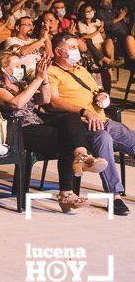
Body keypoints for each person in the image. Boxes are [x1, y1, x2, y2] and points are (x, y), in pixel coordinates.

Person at [0, 51, 106, 212]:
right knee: (67, 138)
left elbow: (45, 99)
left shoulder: (22, 85)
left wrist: (44, 79)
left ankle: (81, 155)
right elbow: (16, 104)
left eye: (20, 65)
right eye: (15, 66)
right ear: (3, 69)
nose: (19, 69)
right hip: (19, 131)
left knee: (71, 117)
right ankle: (66, 194)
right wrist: (36, 79)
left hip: (38, 125)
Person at [46, 32, 135, 216]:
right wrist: (83, 111)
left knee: (131, 138)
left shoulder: (80, 69)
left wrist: (103, 96)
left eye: (76, 47)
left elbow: (97, 90)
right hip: (81, 124)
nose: (76, 51)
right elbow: (53, 102)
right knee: (104, 139)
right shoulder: (51, 72)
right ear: (58, 51)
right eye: (71, 48)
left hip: (102, 118)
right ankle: (114, 196)